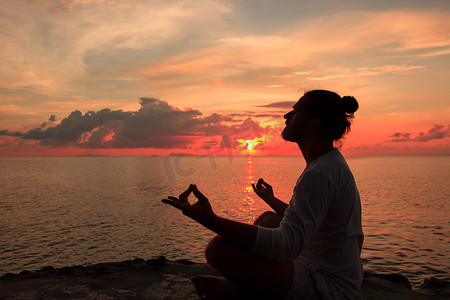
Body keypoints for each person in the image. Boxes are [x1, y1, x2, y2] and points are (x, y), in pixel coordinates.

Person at [162, 89, 364, 299]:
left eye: (295, 112)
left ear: (313, 123)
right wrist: (270, 199)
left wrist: (209, 219)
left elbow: (286, 246)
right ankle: (241, 287)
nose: (287, 117)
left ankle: (238, 291)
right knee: (268, 219)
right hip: (327, 268)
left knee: (218, 250)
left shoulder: (320, 173)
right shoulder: (329, 163)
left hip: (328, 286)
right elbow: (312, 220)